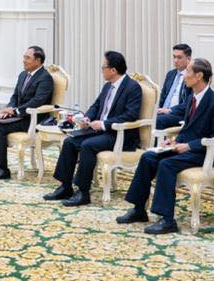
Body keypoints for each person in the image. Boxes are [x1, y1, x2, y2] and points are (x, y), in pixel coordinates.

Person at [117, 57, 214, 234]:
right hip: (186, 148)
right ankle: (139, 210)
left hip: (204, 152)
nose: (184, 75)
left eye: (188, 71)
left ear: (199, 75)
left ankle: (167, 220)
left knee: (166, 164)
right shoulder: (192, 98)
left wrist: (189, 146)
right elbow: (188, 128)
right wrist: (175, 141)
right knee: (148, 157)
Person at [43, 51, 142, 205]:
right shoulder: (108, 86)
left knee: (87, 145)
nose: (102, 70)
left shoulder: (133, 87)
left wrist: (103, 124)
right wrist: (87, 118)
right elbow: (95, 106)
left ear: (113, 70)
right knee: (70, 141)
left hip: (119, 134)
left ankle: (83, 192)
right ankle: (65, 186)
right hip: (99, 130)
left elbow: (131, 115)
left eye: (103, 67)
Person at [0, 46, 54, 180]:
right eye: (24, 57)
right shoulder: (23, 75)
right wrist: (9, 109)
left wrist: (15, 111)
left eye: (27, 58)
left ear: (38, 61)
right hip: (18, 116)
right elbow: (15, 96)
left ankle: (3, 169)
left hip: (32, 119)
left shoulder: (45, 78)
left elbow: (37, 101)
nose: (24, 60)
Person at [154, 44, 192, 129]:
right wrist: (157, 109)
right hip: (163, 112)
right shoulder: (170, 74)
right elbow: (163, 96)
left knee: (157, 120)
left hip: (179, 115)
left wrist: (170, 110)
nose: (175, 60)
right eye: (174, 57)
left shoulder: (191, 77)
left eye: (179, 57)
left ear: (188, 59)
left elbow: (190, 103)